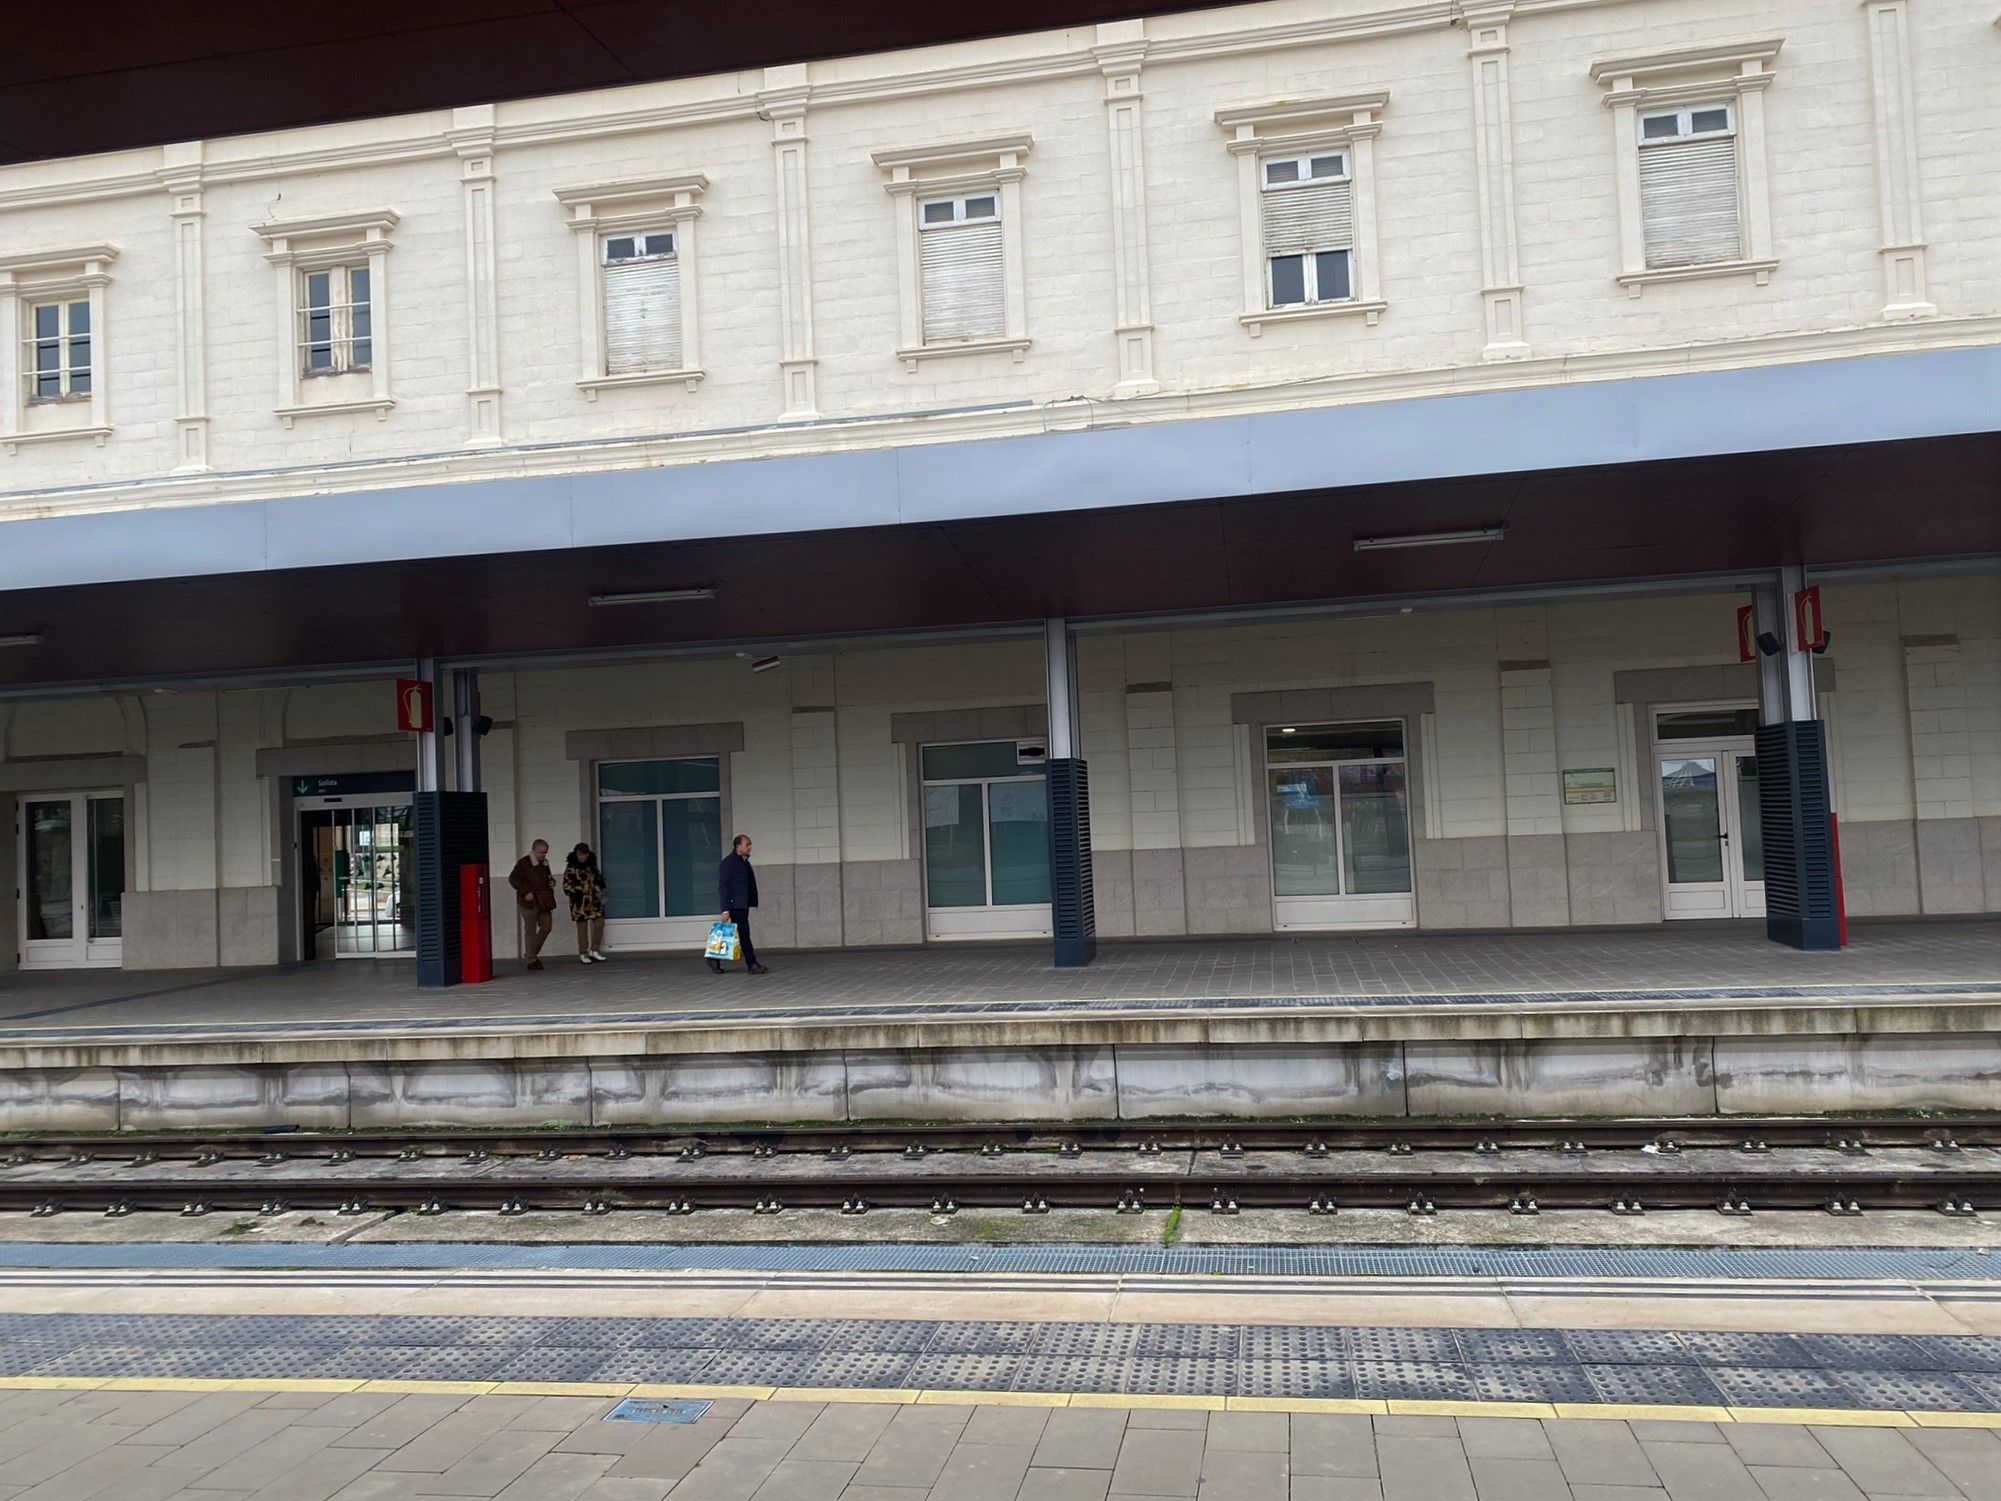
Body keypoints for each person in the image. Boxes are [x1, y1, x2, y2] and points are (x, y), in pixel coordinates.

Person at [712, 833, 766, 975]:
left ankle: (712, 958)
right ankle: (751, 963)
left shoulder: (744, 862)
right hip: (734, 905)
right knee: (743, 934)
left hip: (742, 904)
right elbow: (724, 887)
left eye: (750, 844)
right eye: (747, 844)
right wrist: (725, 909)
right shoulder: (728, 863)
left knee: (731, 934)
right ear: (738, 846)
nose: (749, 847)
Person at [506, 839, 557, 971]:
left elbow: (549, 877)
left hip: (544, 901)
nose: (544, 855)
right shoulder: (523, 863)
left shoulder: (545, 863)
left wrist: (552, 881)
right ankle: (532, 960)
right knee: (530, 930)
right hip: (528, 902)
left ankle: (531, 953)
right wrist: (525, 891)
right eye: (541, 853)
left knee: (547, 927)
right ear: (534, 850)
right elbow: (513, 879)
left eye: (545, 853)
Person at [563, 842, 610, 965]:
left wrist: (600, 888)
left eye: (584, 854)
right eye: (580, 855)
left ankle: (594, 949)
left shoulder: (591, 866)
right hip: (580, 903)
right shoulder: (571, 868)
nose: (582, 857)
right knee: (582, 928)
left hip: (594, 901)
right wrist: (576, 893)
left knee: (599, 923)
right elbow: (566, 885)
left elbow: (598, 879)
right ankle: (583, 953)